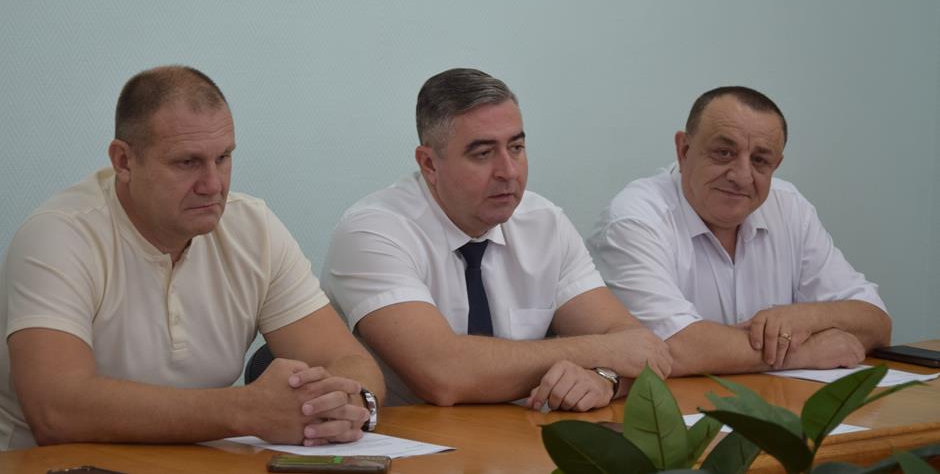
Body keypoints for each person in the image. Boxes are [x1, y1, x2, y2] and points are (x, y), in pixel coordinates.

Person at [0, 66, 385, 450]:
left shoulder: (254, 229)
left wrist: (347, 404)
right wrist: (245, 410)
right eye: (187, 162)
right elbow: (55, 411)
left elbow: (350, 362)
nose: (213, 184)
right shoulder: (59, 235)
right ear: (124, 161)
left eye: (224, 157)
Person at [322, 68, 671, 412]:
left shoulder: (545, 223)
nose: (509, 171)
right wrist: (604, 352)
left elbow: (640, 347)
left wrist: (605, 378)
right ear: (429, 164)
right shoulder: (374, 231)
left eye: (516, 147)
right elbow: (443, 373)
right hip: (408, 440)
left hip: (516, 436)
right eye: (483, 154)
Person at [587, 86, 891, 376]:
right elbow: (669, 348)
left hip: (774, 401)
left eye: (760, 160)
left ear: (776, 164)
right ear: (684, 150)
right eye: (724, 152)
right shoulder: (634, 219)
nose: (742, 176)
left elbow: (876, 323)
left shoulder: (790, 207)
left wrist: (807, 317)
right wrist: (805, 352)